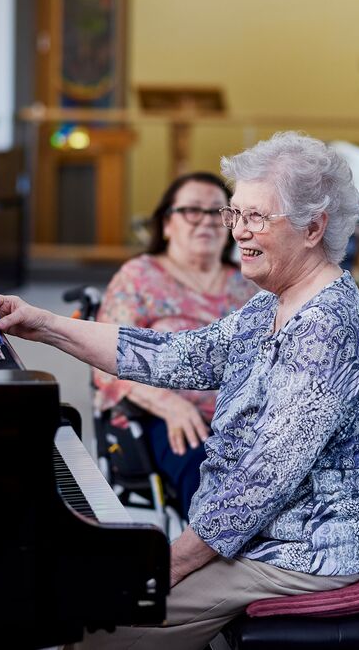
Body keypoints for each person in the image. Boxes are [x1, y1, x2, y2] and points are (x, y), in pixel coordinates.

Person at [0, 132, 359, 648]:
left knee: (100, 627)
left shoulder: (326, 326)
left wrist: (167, 563)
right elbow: (176, 356)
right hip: (259, 536)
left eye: (255, 218)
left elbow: (263, 479)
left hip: (304, 547)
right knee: (92, 602)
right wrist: (44, 323)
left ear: (313, 227)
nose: (237, 232)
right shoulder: (275, 301)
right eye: (235, 215)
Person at [91, 172, 260, 509]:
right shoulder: (139, 277)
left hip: (247, 420)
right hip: (162, 416)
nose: (207, 222)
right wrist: (172, 405)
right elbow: (107, 359)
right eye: (192, 211)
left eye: (219, 212)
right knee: (211, 480)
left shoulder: (250, 281)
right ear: (167, 223)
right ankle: (202, 559)